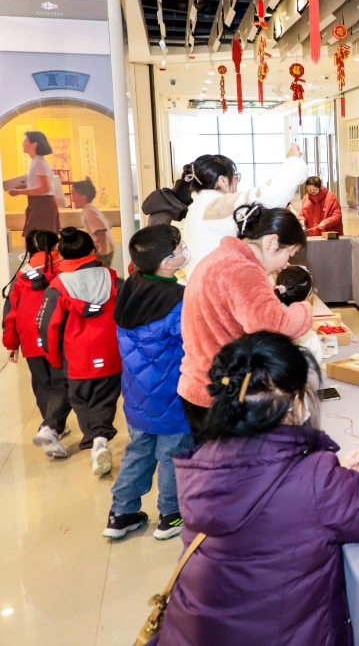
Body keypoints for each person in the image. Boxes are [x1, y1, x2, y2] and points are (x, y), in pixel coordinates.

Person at [158, 332, 359, 645]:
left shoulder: (205, 460)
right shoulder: (315, 481)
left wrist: (322, 474)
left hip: (191, 633)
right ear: (295, 402)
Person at [179, 204, 313, 437]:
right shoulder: (242, 270)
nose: (285, 265)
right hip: (220, 394)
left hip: (202, 384)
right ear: (272, 242)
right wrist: (304, 308)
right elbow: (276, 326)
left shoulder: (222, 257)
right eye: (289, 255)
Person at [105, 224, 193, 541]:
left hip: (136, 393)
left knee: (138, 452)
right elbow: (193, 343)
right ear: (167, 263)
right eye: (180, 247)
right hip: (171, 394)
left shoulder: (131, 287)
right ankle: (171, 516)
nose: (184, 250)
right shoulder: (177, 300)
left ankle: (121, 514)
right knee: (173, 455)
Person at [37, 226, 122, 476]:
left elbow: (48, 327)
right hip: (110, 352)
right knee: (104, 399)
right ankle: (99, 442)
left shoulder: (57, 286)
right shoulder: (113, 279)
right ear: (93, 250)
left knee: (81, 399)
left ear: (62, 254)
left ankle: (90, 440)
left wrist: (54, 358)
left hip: (76, 357)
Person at [179, 146, 309, 279]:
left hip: (205, 281)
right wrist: (293, 161)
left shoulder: (195, 208)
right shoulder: (217, 206)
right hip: (221, 282)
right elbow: (269, 198)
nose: (236, 181)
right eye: (235, 177)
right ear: (222, 181)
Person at [4, 230, 69, 458]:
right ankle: (51, 427)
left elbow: (11, 312)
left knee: (42, 384)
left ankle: (50, 426)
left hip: (30, 336)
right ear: (56, 246)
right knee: (62, 382)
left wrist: (11, 343)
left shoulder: (22, 275)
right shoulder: (64, 269)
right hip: (57, 334)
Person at [10, 130, 59, 236]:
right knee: (36, 237)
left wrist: (19, 192)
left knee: (39, 238)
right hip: (38, 203)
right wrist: (19, 187)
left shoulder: (39, 162)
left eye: (25, 141)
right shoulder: (36, 161)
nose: (22, 143)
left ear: (34, 144)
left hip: (43, 205)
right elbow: (37, 185)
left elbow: (45, 188)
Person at [272, 265, 325, 364]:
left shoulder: (270, 311)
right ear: (308, 297)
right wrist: (312, 333)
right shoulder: (300, 323)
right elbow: (315, 358)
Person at [71, 177, 114, 268]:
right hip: (105, 250)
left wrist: (95, 250)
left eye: (73, 195)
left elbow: (101, 230)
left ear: (83, 198)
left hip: (103, 251)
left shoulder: (89, 211)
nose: (72, 199)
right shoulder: (89, 208)